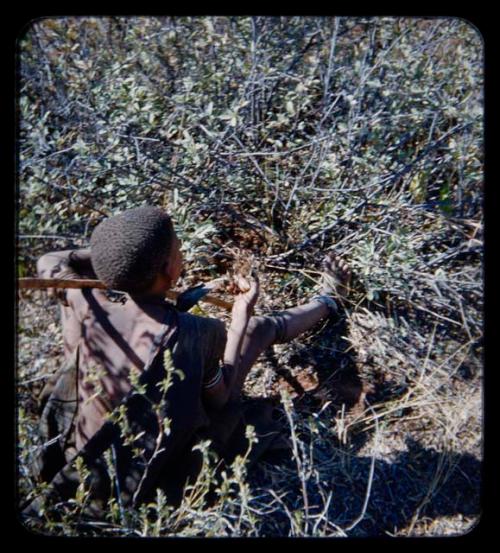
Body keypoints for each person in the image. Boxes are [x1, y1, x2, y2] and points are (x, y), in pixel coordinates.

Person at [26, 205, 350, 516]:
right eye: (178, 251)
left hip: (81, 466)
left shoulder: (86, 305)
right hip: (144, 481)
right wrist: (239, 318)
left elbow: (51, 259)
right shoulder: (199, 332)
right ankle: (330, 299)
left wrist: (117, 260)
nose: (182, 254)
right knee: (257, 330)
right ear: (169, 269)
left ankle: (326, 300)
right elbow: (221, 398)